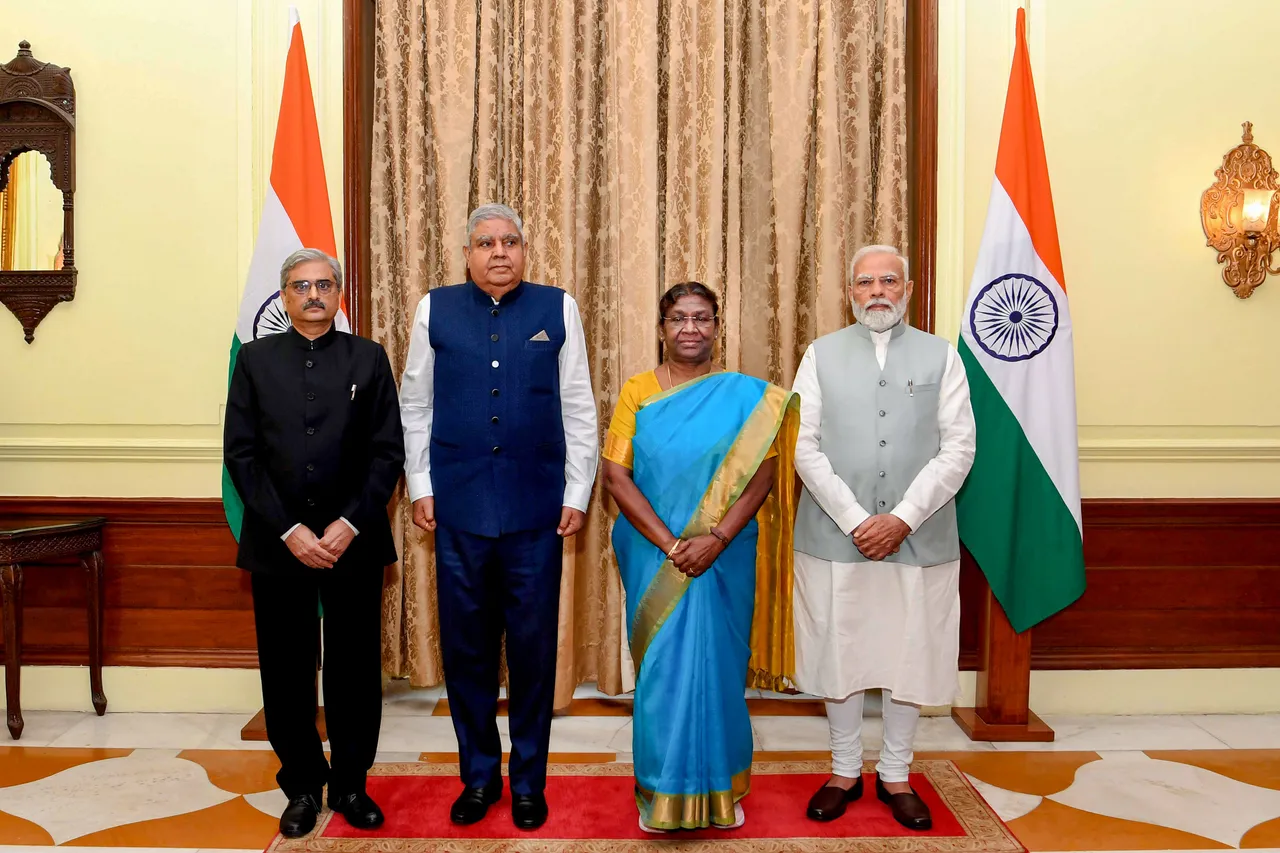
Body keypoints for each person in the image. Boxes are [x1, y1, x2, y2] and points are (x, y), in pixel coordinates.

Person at [399, 203, 598, 830]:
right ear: (466, 254)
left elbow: (579, 407)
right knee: (468, 655)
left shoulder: (556, 307)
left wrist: (576, 492)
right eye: (485, 243)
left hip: (537, 511)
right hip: (457, 510)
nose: (499, 253)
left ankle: (530, 783)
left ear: (524, 249)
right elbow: (415, 404)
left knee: (534, 656)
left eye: (510, 241)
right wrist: (421, 484)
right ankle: (479, 779)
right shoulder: (434, 308)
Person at [602, 282, 800, 833]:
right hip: (653, 553)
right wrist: (671, 544)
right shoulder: (637, 392)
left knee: (719, 668)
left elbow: (763, 473)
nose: (691, 328)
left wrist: (716, 539)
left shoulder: (746, 396)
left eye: (702, 318)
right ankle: (659, 792)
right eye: (679, 319)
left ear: (717, 326)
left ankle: (722, 789)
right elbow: (615, 476)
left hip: (725, 553)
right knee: (662, 672)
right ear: (662, 328)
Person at [792, 245, 975, 831]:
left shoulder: (942, 357)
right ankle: (844, 771)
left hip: (919, 538)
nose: (877, 291)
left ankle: (896, 773)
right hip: (834, 536)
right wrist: (855, 520)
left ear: (909, 288)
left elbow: (959, 448)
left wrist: (903, 517)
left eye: (888, 280)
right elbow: (803, 445)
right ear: (849, 292)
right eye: (865, 281)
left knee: (910, 654)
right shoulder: (819, 355)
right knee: (840, 653)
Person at [223, 248, 405, 838]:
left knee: (354, 669)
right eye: (300, 286)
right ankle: (302, 783)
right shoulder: (253, 360)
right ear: (282, 296)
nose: (313, 294)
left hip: (354, 539)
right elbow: (242, 456)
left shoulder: (368, 358)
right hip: (279, 543)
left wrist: (349, 523)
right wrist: (289, 529)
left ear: (339, 294)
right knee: (287, 670)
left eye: (324, 284)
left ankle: (351, 782)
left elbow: (387, 453)